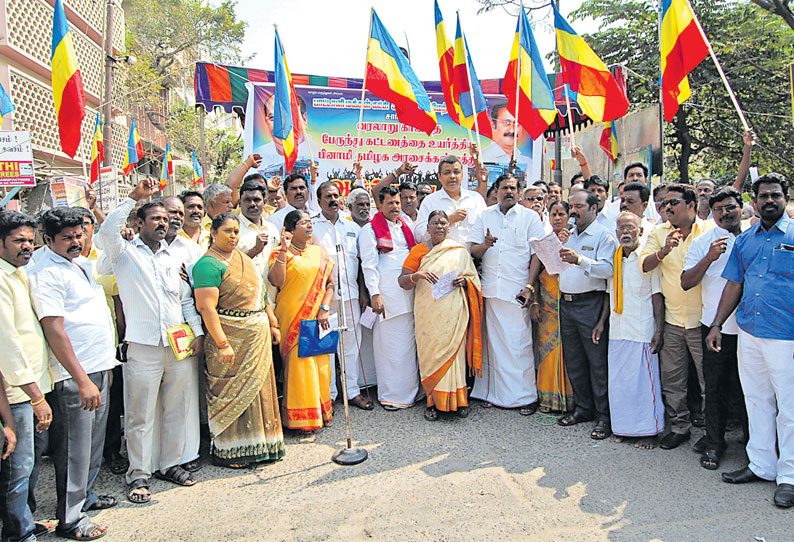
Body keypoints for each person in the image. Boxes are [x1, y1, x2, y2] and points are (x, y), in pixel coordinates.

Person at [96, 179, 204, 504]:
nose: (163, 222)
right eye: (155, 218)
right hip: (142, 347)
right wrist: (134, 198)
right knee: (139, 415)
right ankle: (138, 474)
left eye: (165, 218)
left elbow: (185, 300)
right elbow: (106, 232)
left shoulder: (174, 257)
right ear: (139, 224)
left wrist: (197, 332)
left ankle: (170, 464)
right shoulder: (124, 253)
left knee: (176, 408)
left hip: (178, 344)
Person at [705, 173, 794, 508]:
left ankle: (789, 476)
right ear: (754, 202)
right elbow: (733, 285)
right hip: (750, 333)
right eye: (763, 196)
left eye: (775, 195)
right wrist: (716, 324)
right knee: (756, 400)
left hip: (786, 337)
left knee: (790, 408)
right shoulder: (746, 240)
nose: (769, 201)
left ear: (785, 197)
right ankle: (761, 465)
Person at [29, 208, 115, 539]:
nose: (76, 241)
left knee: (91, 446)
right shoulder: (45, 272)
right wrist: (80, 379)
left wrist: (104, 367)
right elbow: (55, 330)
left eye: (79, 234)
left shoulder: (80, 263)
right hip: (74, 376)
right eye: (67, 238)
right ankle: (70, 519)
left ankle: (86, 498)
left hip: (98, 367)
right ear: (47, 239)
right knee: (73, 450)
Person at [193, 213, 285, 467]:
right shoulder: (207, 265)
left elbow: (261, 295)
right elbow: (206, 308)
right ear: (213, 233)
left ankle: (264, 445)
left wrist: (273, 323)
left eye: (236, 231)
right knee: (233, 394)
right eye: (227, 231)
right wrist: (222, 343)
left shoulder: (243, 258)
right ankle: (232, 451)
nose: (233, 236)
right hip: (230, 339)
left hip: (257, 337)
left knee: (260, 391)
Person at [640, 183, 713, 450]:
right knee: (673, 379)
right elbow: (644, 265)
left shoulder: (709, 231)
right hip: (672, 321)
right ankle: (679, 427)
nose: (667, 207)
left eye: (674, 203)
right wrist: (663, 251)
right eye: (664, 204)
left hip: (703, 321)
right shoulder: (659, 232)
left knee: (708, 381)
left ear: (692, 205)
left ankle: (711, 432)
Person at [682, 186, 749, 470]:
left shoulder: (754, 237)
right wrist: (709, 257)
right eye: (718, 208)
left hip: (751, 330)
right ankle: (714, 443)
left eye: (730, 207)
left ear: (741, 208)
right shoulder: (703, 242)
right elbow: (686, 282)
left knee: (750, 391)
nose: (724, 213)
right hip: (715, 329)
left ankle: (754, 446)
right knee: (716, 389)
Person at [470, 174, 546, 414]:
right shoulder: (485, 215)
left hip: (517, 290)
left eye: (513, 188)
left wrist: (530, 286)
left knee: (519, 344)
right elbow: (473, 249)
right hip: (492, 289)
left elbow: (538, 253)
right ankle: (492, 394)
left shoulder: (530, 217)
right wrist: (485, 245)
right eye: (504, 188)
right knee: (492, 346)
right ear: (497, 190)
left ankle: (524, 397)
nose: (509, 192)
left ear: (519, 191)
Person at [0, 210, 54, 542]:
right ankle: (18, 534)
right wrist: (35, 396)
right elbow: (8, 343)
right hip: (19, 395)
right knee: (18, 469)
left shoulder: (18, 274)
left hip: (35, 388)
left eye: (30, 241)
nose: (27, 247)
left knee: (29, 466)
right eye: (19, 241)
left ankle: (22, 521)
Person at [399, 210, 483, 421]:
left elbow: (473, 279)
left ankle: (460, 401)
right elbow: (402, 281)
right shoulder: (418, 251)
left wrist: (466, 282)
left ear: (449, 227)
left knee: (455, 358)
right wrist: (416, 275)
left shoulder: (459, 251)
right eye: (435, 223)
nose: (439, 226)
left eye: (443, 223)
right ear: (427, 228)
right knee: (430, 357)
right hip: (428, 316)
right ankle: (433, 402)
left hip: (453, 313)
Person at [556, 191, 618, 440]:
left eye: (579, 206)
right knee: (574, 360)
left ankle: (604, 416)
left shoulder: (604, 235)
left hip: (590, 304)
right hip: (567, 305)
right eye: (571, 206)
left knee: (597, 362)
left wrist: (580, 259)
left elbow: (608, 269)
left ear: (594, 208)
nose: (573, 211)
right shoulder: (568, 235)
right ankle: (583, 408)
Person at [268, 210, 336, 430]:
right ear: (289, 229)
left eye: (309, 222)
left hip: (318, 318)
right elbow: (276, 280)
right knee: (299, 366)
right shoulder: (280, 253)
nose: (309, 226)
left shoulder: (319, 252)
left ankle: (321, 412)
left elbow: (330, 284)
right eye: (303, 223)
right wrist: (284, 250)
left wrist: (324, 308)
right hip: (292, 318)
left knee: (320, 365)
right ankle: (301, 419)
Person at [312, 182, 373, 410]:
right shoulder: (313, 226)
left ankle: (352, 392)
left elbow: (360, 264)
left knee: (351, 347)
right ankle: (328, 396)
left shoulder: (352, 227)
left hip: (351, 297)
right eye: (328, 196)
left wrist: (364, 292)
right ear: (319, 201)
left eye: (336, 196)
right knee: (327, 348)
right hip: (325, 301)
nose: (333, 200)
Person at [607, 212, 665, 449]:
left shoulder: (647, 260)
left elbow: (657, 295)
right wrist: (601, 322)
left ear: (640, 231)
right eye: (621, 229)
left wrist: (659, 330)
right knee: (619, 384)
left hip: (642, 329)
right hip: (617, 329)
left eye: (630, 228)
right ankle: (622, 427)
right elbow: (608, 294)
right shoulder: (615, 258)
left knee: (643, 384)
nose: (626, 233)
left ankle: (648, 431)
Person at [359, 186, 420, 409]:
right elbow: (369, 265)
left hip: (409, 291)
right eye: (390, 203)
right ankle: (391, 395)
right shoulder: (369, 230)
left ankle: (410, 393)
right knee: (389, 346)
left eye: (397, 203)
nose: (395, 207)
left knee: (407, 345)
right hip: (386, 293)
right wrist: (375, 294)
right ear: (380, 205)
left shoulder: (406, 225)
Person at [529, 200, 575, 413]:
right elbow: (536, 276)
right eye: (554, 214)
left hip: (568, 305)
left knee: (569, 354)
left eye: (561, 214)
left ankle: (569, 400)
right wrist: (535, 302)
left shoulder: (576, 239)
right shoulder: (544, 243)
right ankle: (548, 398)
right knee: (547, 352)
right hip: (547, 307)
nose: (557, 218)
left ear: (568, 216)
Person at [415, 155, 486, 244]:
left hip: (472, 256)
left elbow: (486, 228)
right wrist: (447, 220)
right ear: (439, 177)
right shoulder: (430, 201)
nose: (452, 176)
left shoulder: (476, 199)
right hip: (441, 256)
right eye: (447, 172)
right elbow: (419, 236)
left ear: (462, 175)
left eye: (456, 172)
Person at [618, 182, 657, 246]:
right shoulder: (614, 228)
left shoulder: (652, 232)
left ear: (644, 205)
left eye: (630, 201)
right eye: (622, 200)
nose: (624, 204)